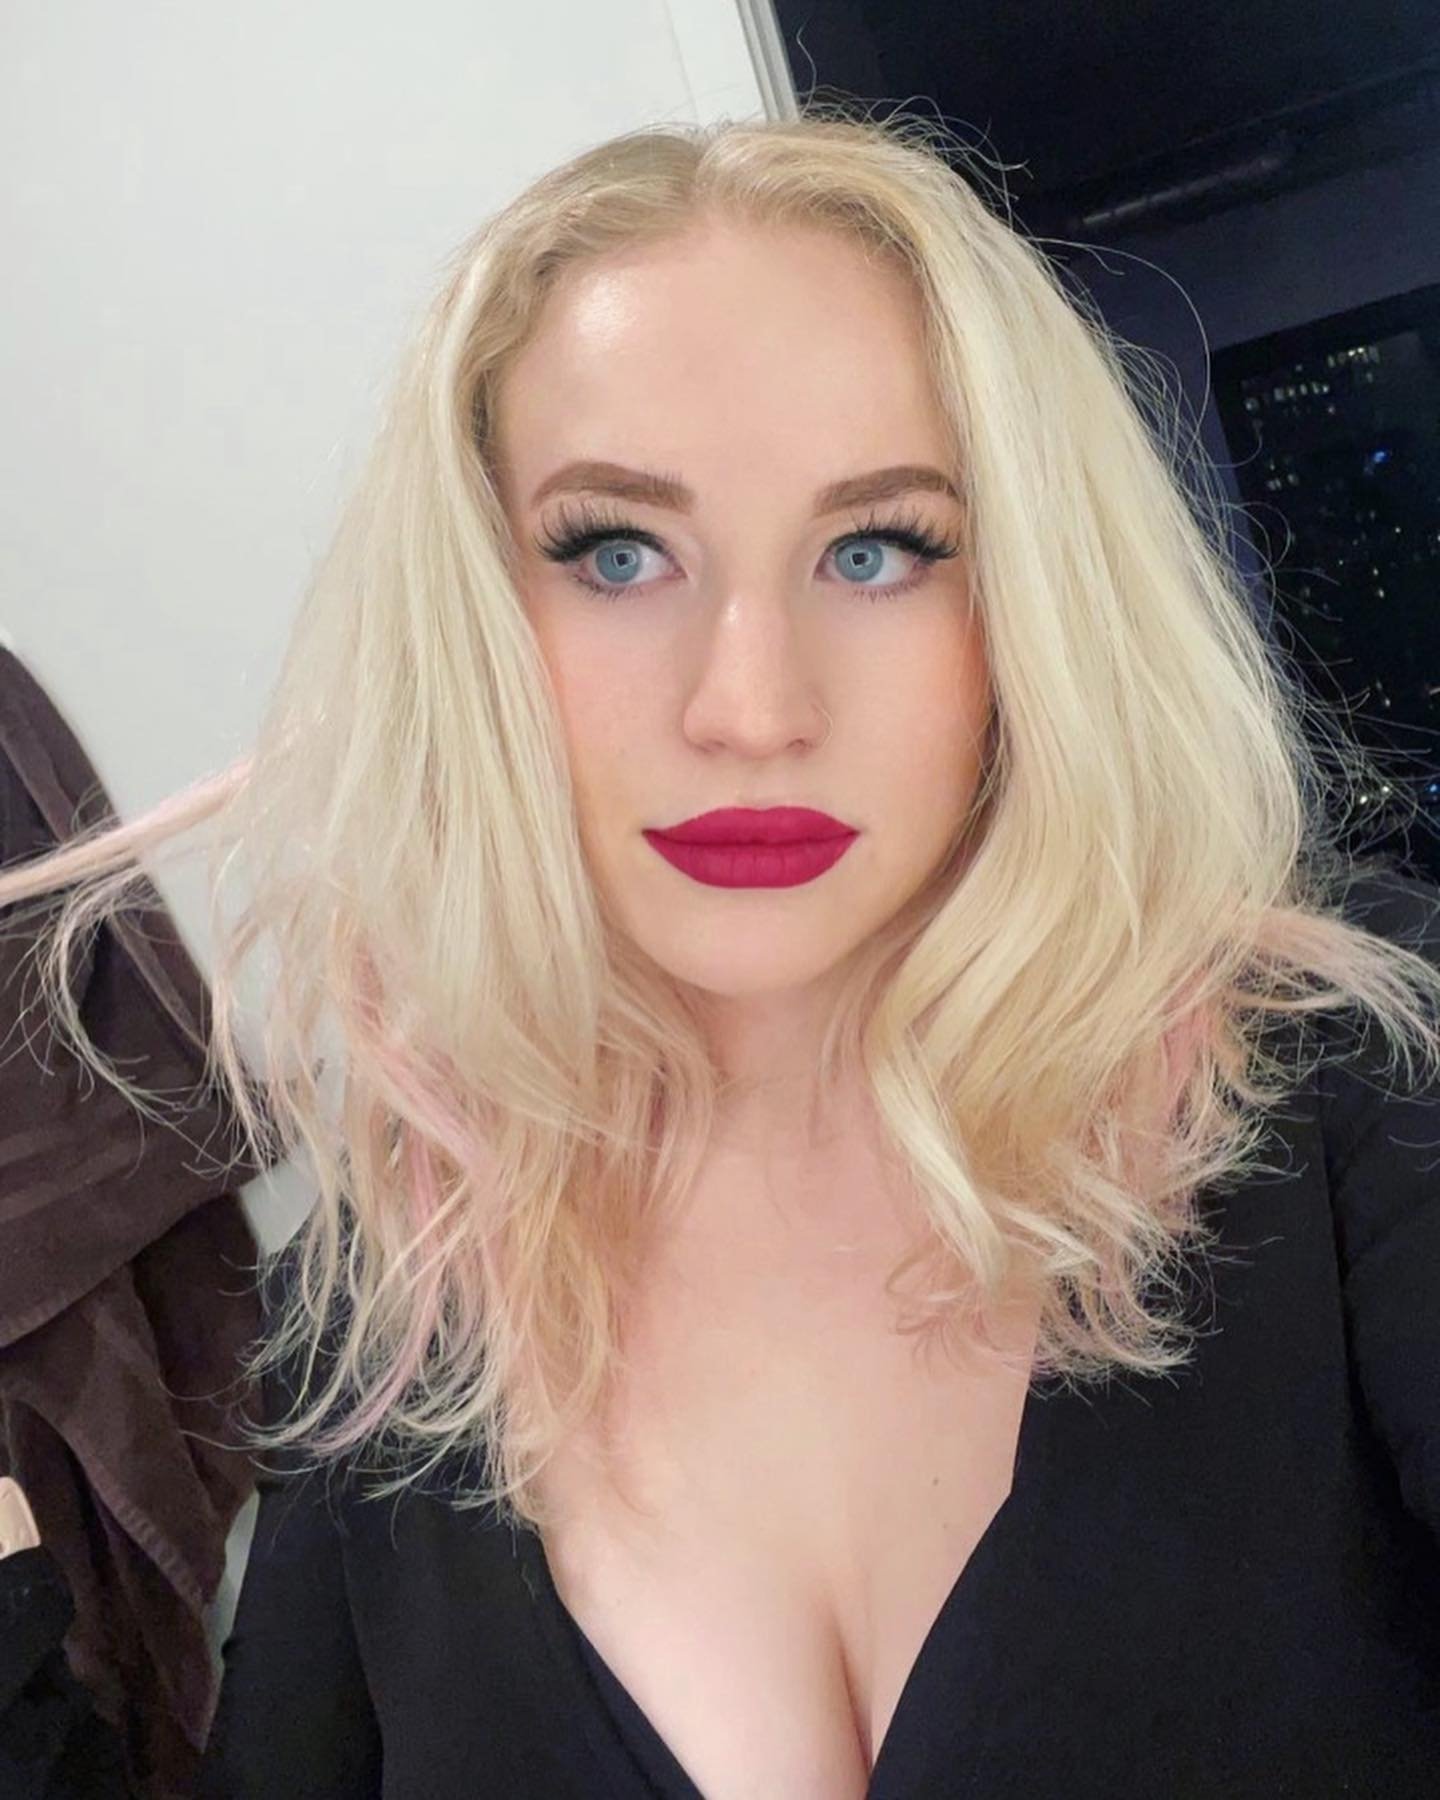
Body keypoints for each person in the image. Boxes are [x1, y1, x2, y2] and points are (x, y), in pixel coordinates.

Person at [2, 105, 1438, 1798]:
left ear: (1030, 603)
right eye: (617, 554)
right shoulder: (408, 1277)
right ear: (478, 616)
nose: (750, 707)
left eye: (877, 550)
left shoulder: (1346, 1078)